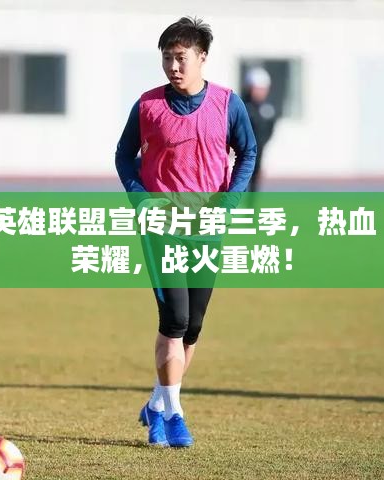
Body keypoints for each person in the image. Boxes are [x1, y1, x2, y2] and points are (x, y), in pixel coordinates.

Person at [115, 16, 256, 448]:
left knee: (193, 326)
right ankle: (174, 416)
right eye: (167, 58)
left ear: (202, 57)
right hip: (163, 227)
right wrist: (141, 198)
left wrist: (230, 202)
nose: (173, 67)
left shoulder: (228, 104)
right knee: (173, 319)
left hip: (208, 228)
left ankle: (157, 402)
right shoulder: (147, 106)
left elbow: (248, 152)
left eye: (181, 58)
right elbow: (124, 156)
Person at [244, 67, 277, 192]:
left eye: (263, 89)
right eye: (257, 89)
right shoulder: (241, 106)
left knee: (254, 184)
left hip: (257, 153)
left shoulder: (268, 110)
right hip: (240, 153)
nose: (260, 92)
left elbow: (269, 131)